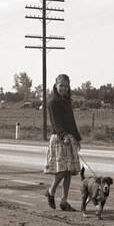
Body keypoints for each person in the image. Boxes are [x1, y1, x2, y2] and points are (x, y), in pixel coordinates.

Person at [44, 74, 82, 211]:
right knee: (62, 170)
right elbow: (56, 123)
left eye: (66, 86)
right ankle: (50, 192)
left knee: (69, 171)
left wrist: (77, 138)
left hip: (70, 138)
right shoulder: (52, 103)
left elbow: (72, 122)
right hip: (59, 139)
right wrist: (63, 135)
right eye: (61, 85)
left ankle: (64, 201)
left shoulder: (67, 102)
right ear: (56, 85)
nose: (64, 88)